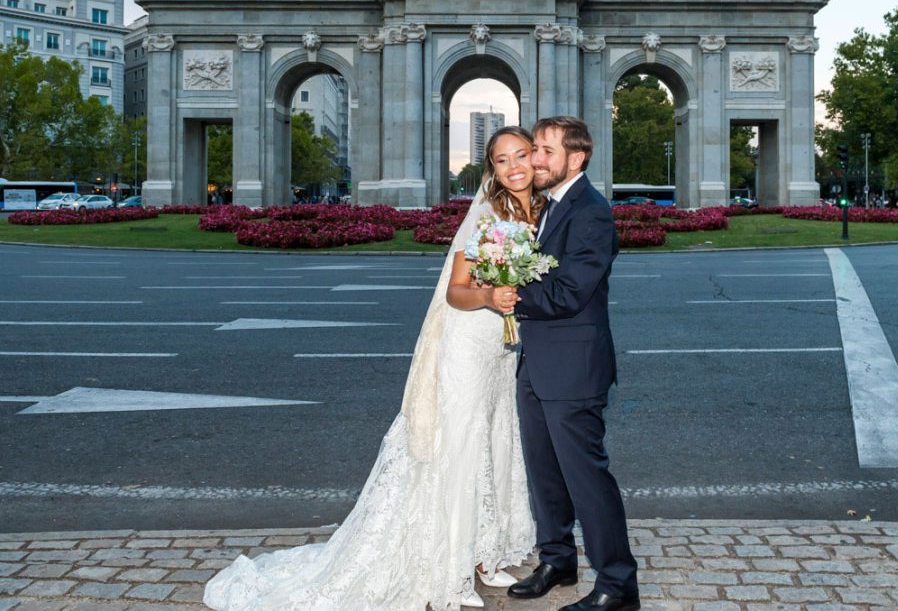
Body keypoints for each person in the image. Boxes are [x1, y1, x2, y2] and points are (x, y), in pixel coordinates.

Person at [204, 126, 545, 611]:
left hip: (500, 350)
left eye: (522, 155)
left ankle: (484, 554)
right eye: (502, 160)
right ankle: (448, 569)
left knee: (494, 442)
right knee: (462, 449)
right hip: (469, 342)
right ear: (491, 168)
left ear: (536, 157)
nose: (514, 167)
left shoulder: (535, 211)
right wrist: (490, 295)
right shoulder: (487, 215)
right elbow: (456, 291)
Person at [507, 117, 640, 611]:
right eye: (534, 149)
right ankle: (557, 561)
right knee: (545, 474)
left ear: (576, 158)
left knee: (587, 479)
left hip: (574, 368)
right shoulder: (549, 205)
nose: (533, 160)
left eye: (543, 151)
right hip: (537, 364)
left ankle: (617, 585)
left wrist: (509, 291)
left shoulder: (592, 212)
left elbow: (568, 292)